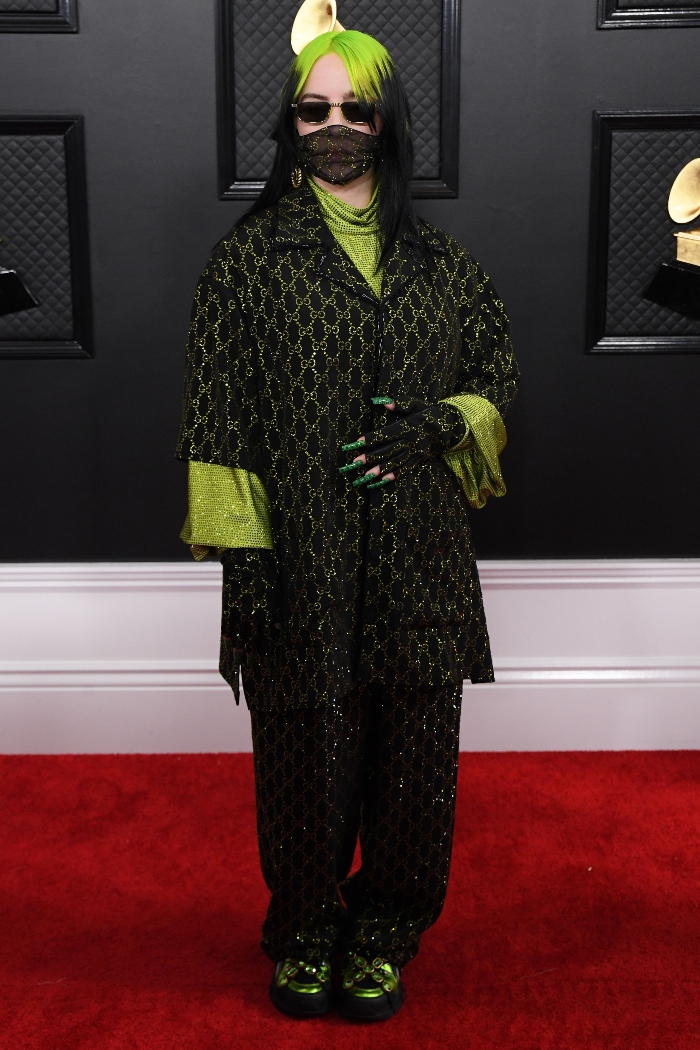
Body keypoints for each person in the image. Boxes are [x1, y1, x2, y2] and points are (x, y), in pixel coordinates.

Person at [177, 24, 519, 1023]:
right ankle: (305, 930)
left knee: (415, 763)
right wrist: (246, 566)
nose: (335, 126)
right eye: (313, 109)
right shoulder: (246, 263)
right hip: (301, 556)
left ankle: (383, 934)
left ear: (386, 121)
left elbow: (496, 374)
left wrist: (441, 424)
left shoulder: (443, 264)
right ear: (290, 124)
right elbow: (217, 416)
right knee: (305, 764)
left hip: (420, 554)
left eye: (355, 108)